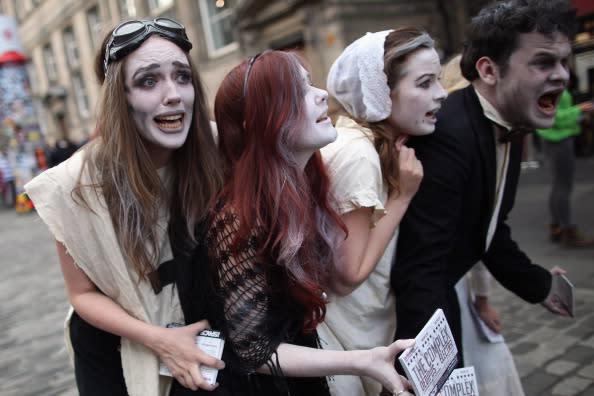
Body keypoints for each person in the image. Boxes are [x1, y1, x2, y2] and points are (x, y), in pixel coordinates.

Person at [170, 50, 415, 396]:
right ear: (258, 122)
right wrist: (362, 360)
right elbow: (255, 352)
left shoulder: (299, 188)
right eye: (298, 91)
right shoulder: (239, 219)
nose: (321, 95)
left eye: (311, 84)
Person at [24, 18, 225, 396]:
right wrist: (159, 340)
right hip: (114, 345)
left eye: (182, 77)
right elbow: (82, 294)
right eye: (148, 81)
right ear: (121, 96)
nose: (173, 95)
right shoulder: (74, 184)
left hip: (201, 330)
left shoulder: (218, 147)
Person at [392, 0, 575, 369]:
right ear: (489, 70)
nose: (562, 76)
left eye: (564, 62)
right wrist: (435, 373)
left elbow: (487, 228)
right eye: (543, 62)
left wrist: (538, 284)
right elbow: (422, 270)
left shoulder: (513, 122)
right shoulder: (450, 133)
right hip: (417, 308)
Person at [315, 27, 444, 396]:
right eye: (424, 83)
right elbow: (347, 275)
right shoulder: (359, 155)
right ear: (379, 92)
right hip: (343, 338)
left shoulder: (362, 142)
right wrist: (402, 197)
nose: (441, 93)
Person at [440, 53, 525, 395]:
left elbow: (486, 232)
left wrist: (483, 299)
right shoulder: (458, 140)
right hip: (449, 282)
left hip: (459, 281)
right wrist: (483, 299)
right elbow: (480, 233)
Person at [536, 81, 594, 247]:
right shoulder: (549, 87)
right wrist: (579, 110)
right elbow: (553, 116)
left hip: (555, 138)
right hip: (558, 139)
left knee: (559, 185)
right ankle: (567, 230)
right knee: (563, 186)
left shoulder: (546, 85)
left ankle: (558, 226)